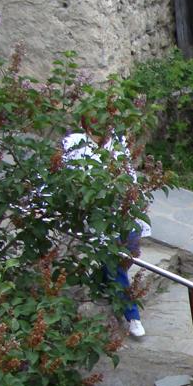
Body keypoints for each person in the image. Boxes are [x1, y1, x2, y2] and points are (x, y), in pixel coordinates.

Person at [62, 128, 149, 338]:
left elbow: (128, 174)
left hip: (122, 211)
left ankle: (101, 282)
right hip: (96, 214)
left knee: (124, 256)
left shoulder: (116, 143)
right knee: (115, 262)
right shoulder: (76, 143)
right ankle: (132, 316)